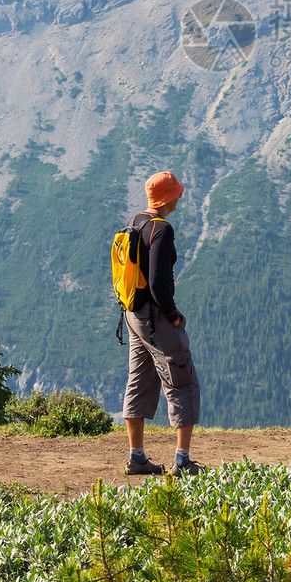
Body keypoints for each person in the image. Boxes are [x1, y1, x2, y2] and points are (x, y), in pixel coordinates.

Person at [122, 170, 203, 477]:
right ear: (169, 197)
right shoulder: (161, 229)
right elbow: (158, 283)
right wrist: (173, 316)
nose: (181, 196)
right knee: (181, 379)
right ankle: (182, 461)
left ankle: (137, 457)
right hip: (156, 318)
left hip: (132, 314)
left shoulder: (134, 222)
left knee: (139, 379)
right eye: (178, 192)